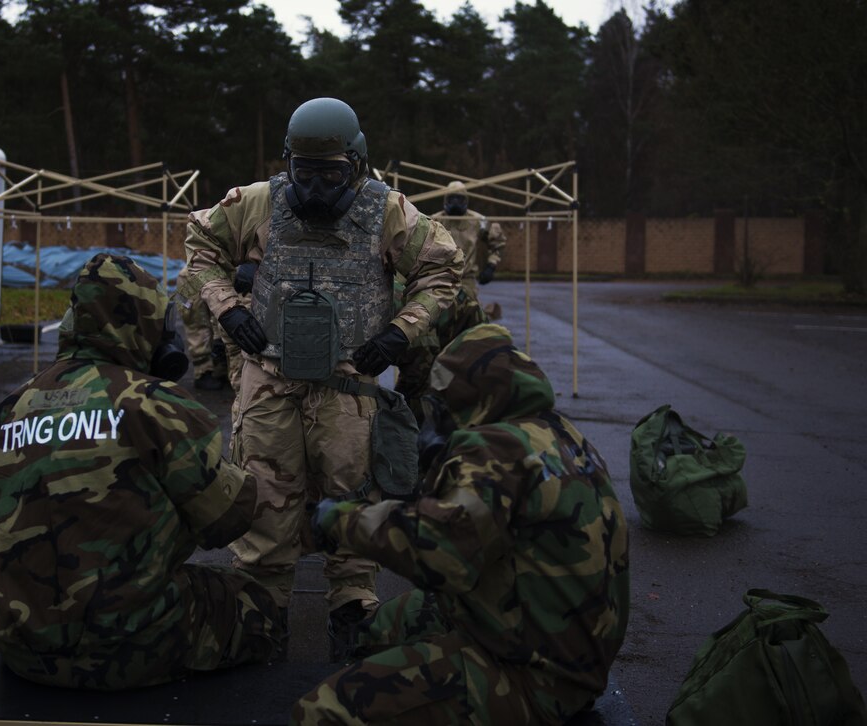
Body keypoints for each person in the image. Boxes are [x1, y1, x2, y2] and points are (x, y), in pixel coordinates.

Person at [181, 97, 463, 661]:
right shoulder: (255, 203)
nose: (313, 189)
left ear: (356, 164)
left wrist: (401, 332)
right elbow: (200, 248)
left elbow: (442, 268)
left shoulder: (389, 212)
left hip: (349, 385)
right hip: (269, 378)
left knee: (352, 490)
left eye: (329, 176)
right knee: (264, 490)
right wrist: (228, 309)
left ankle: (352, 602)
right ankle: (262, 603)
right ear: (287, 163)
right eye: (303, 173)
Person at [294, 323, 630, 724]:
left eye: (447, 405)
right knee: (381, 629)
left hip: (532, 676)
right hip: (563, 643)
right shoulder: (559, 434)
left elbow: (443, 552)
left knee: (324, 710)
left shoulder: (496, 448)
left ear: (476, 398)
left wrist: (337, 520)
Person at [0, 253, 283, 689]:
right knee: (258, 605)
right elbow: (227, 519)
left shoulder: (7, 410)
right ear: (142, 326)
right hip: (132, 649)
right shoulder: (154, 405)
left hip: (23, 649)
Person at [395, 180, 507, 422]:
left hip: (466, 281)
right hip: (439, 279)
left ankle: (461, 375)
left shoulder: (478, 221)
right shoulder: (435, 219)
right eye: (451, 199)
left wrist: (491, 264)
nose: (455, 203)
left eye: (460, 199)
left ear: (466, 200)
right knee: (434, 327)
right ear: (445, 200)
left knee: (467, 327)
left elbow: (498, 242)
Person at [179, 289, 229, 391]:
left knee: (220, 317)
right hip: (191, 284)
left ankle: (220, 368)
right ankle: (202, 372)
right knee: (196, 322)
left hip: (214, 283)